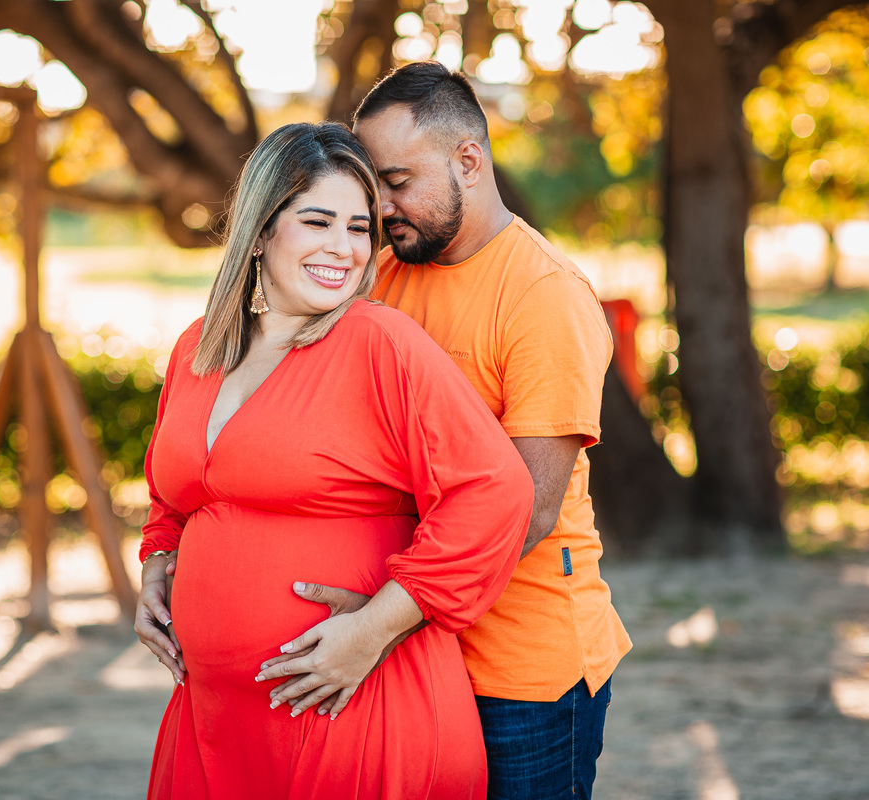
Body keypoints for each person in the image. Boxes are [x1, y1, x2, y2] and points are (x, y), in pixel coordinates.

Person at [256, 63, 633, 800]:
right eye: (374, 187)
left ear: (469, 160)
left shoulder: (544, 299)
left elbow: (524, 512)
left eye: (398, 180)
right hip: (405, 652)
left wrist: (376, 625)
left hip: (520, 673)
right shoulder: (385, 274)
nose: (383, 208)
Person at [133, 121, 535, 799]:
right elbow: (175, 496)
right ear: (260, 231)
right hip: (217, 721)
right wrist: (156, 565)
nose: (343, 250)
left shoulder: (381, 343)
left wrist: (374, 627)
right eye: (317, 221)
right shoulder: (198, 349)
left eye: (359, 229)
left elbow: (495, 494)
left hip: (353, 708)